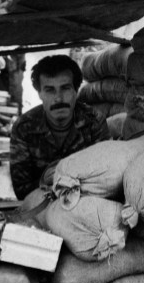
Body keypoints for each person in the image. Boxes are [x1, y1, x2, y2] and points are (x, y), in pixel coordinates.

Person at [9, 54, 111, 200]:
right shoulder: (24, 128)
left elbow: (106, 178)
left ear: (76, 91)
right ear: (40, 94)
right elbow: (21, 190)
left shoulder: (93, 122)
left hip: (86, 203)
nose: (58, 98)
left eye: (65, 88)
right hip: (41, 206)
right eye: (50, 90)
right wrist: (50, 182)